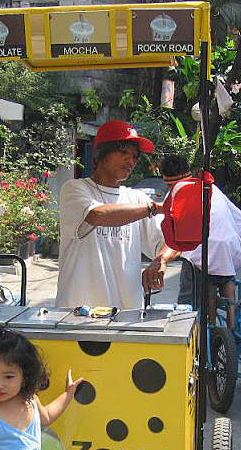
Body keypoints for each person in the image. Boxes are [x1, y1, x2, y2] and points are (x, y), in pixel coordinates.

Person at [55, 120, 167, 309]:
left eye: (135, 156)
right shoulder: (75, 189)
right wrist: (154, 208)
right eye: (123, 152)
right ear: (101, 154)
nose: (131, 161)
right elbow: (97, 215)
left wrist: (160, 260)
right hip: (77, 314)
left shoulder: (136, 198)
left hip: (126, 316)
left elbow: (170, 241)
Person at [145, 154, 241, 328]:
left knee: (187, 306)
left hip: (201, 258)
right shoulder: (211, 188)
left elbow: (176, 239)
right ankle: (232, 328)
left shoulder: (176, 195)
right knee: (226, 276)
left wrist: (162, 260)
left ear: (166, 180)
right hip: (229, 250)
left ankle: (188, 333)